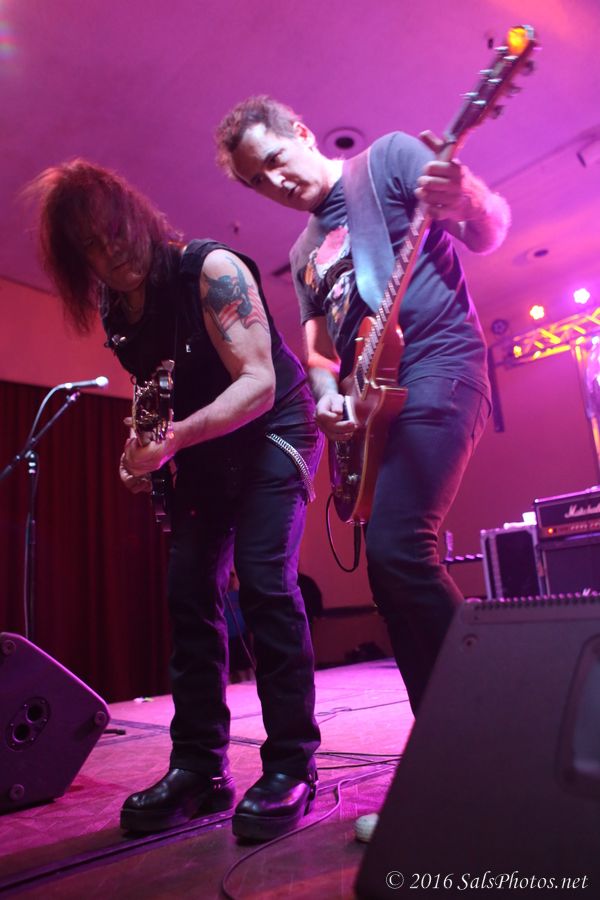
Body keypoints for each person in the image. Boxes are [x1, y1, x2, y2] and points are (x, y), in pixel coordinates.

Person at [215, 96, 510, 835]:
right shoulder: (301, 253)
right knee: (387, 571)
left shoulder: (388, 161)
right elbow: (318, 350)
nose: (274, 183)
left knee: (399, 548)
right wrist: (325, 398)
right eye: (256, 181)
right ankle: (444, 763)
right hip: (373, 398)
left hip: (442, 362)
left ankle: (501, 740)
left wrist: (468, 198)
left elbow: (490, 229)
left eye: (275, 160)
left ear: (301, 133)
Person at [27, 158, 323, 842]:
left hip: (275, 429)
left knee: (265, 581)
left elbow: (256, 383)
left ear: (137, 217)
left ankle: (292, 764)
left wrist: (175, 440)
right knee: (188, 591)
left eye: (115, 232)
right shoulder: (117, 310)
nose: (113, 253)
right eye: (92, 248)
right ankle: (200, 768)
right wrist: (141, 452)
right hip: (208, 448)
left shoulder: (211, 270)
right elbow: (156, 392)